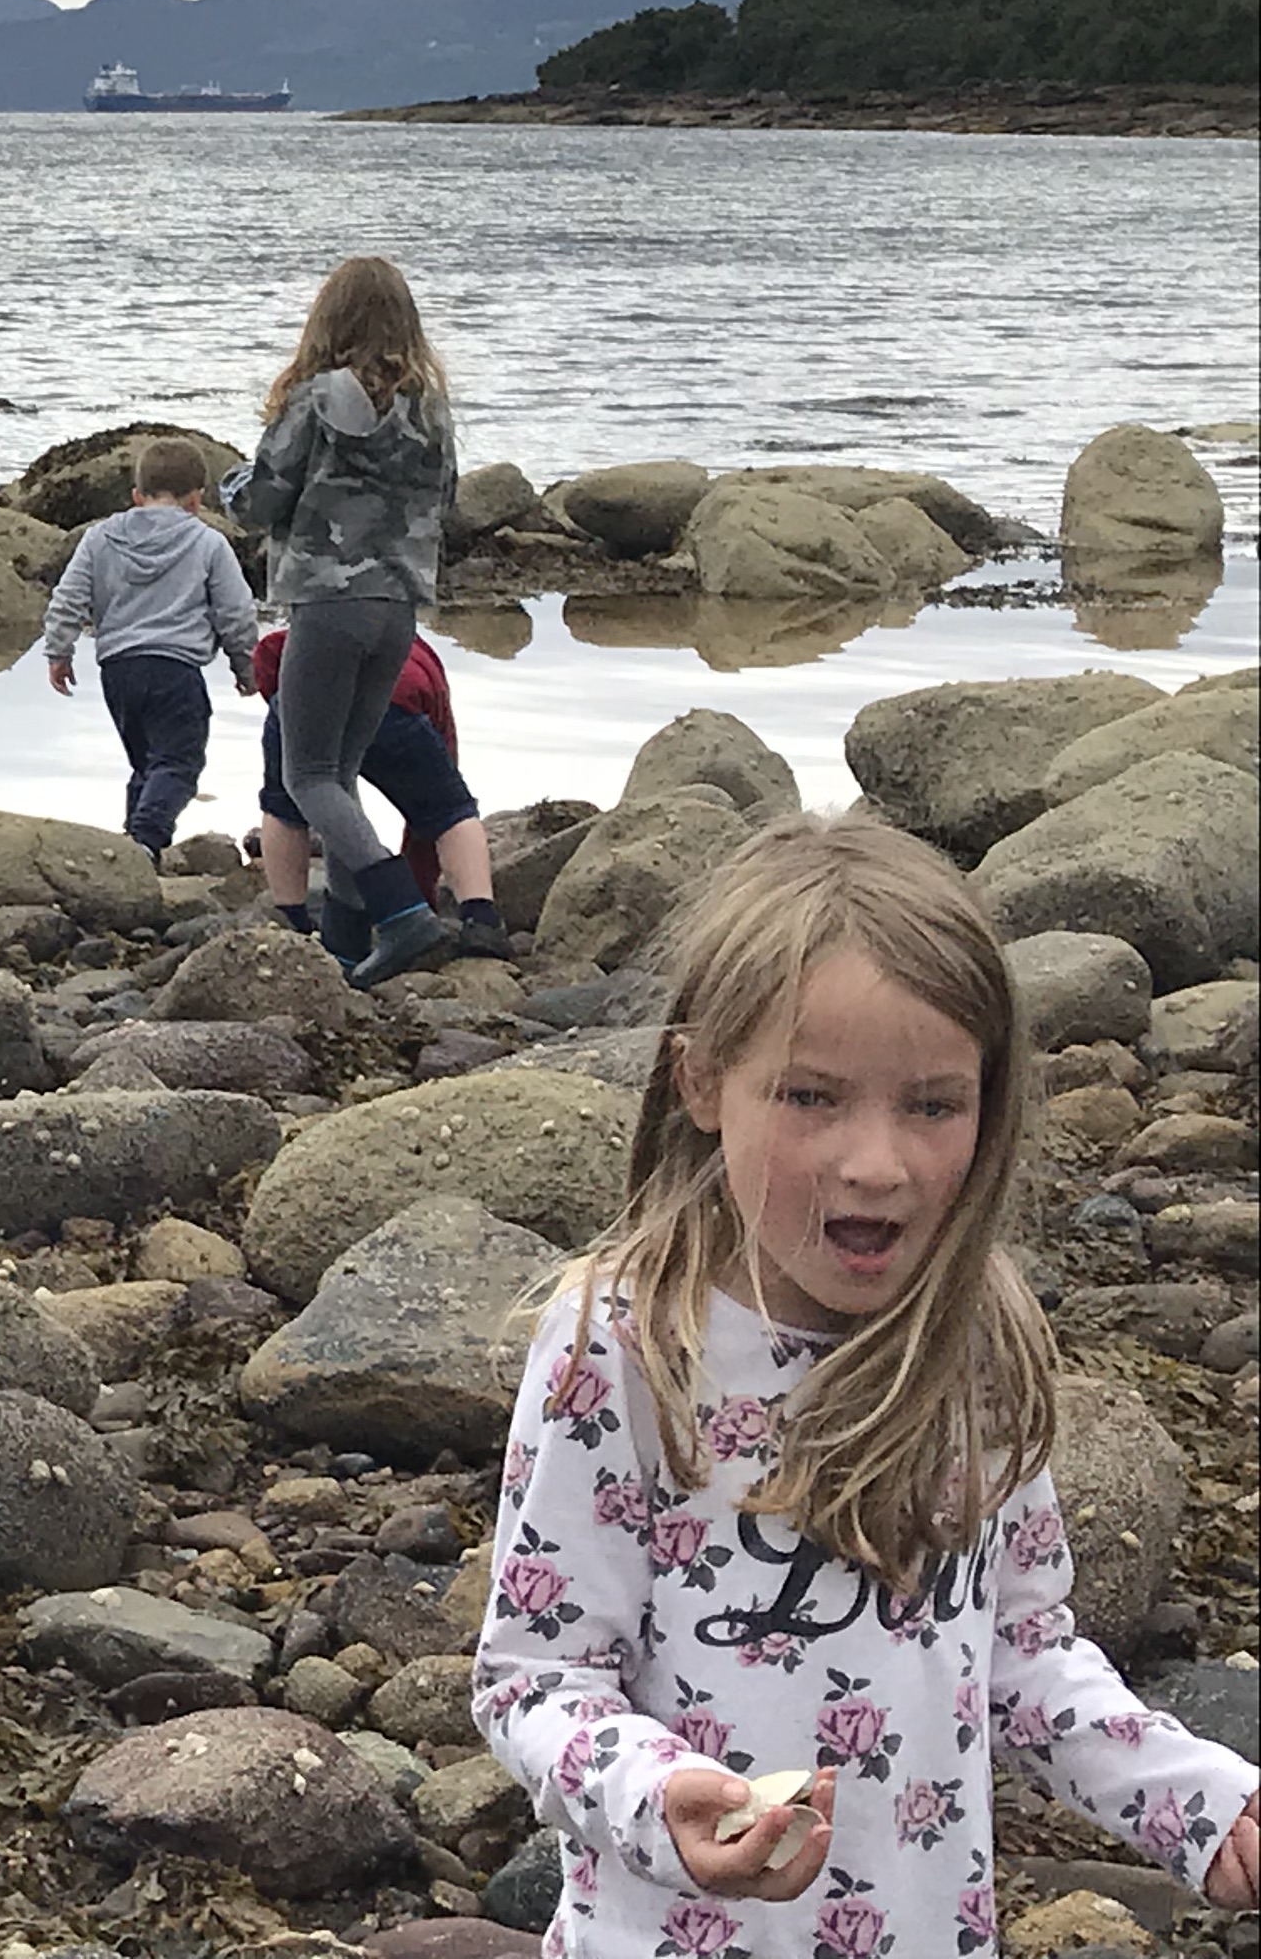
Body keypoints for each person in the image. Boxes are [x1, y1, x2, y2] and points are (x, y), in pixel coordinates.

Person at [473, 816, 1259, 1950]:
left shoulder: (977, 1339)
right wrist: (656, 1795)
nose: (877, 1162)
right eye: (810, 1097)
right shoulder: (629, 1345)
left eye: (934, 1104)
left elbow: (1020, 1657)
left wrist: (1200, 1803)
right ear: (702, 1080)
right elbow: (536, 1678)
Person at [223, 255, 458, 979]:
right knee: (343, 770)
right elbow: (447, 497)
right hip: (397, 604)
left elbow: (261, 498)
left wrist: (230, 486)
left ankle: (402, 913)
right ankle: (350, 943)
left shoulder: (315, 398)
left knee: (307, 775)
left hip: (327, 601)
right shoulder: (429, 407)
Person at [248, 622, 505, 985]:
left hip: (303, 695)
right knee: (449, 810)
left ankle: (294, 921)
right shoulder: (411, 652)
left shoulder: (294, 644)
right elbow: (443, 805)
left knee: (286, 804)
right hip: (395, 700)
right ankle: (481, 918)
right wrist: (424, 887)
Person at [43, 436, 259, 856]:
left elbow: (68, 597)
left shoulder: (99, 538)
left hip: (118, 670)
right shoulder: (208, 542)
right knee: (179, 763)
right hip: (175, 671)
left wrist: (59, 651)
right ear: (197, 500)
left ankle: (132, 851)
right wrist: (246, 667)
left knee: (145, 763)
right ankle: (146, 838)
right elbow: (236, 612)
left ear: (137, 496)